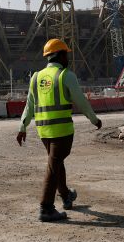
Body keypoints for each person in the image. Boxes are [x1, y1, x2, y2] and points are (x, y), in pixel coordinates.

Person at [17, 39, 102, 222]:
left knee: (56, 162)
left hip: (44, 132)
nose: (68, 58)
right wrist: (94, 120)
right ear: (60, 55)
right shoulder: (66, 75)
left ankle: (65, 195)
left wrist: (22, 127)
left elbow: (29, 106)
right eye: (66, 54)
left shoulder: (36, 77)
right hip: (62, 131)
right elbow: (81, 101)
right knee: (53, 165)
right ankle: (46, 208)